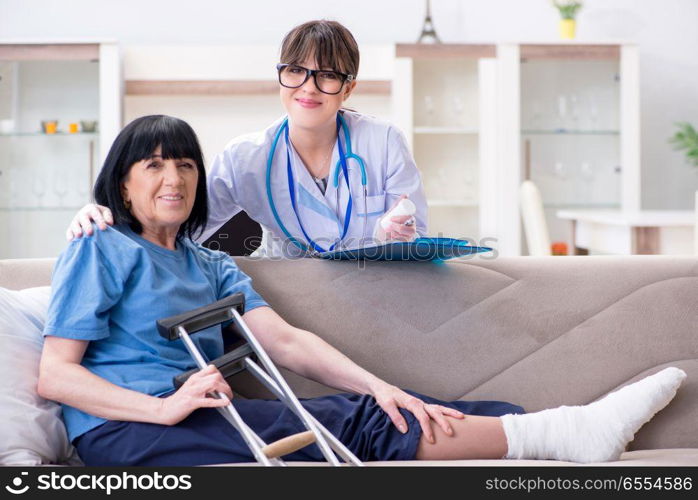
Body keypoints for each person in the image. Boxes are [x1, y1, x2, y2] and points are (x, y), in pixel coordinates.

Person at [39, 115, 686, 466]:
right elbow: (55, 377)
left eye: (184, 163)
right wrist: (165, 408)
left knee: (402, 405)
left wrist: (379, 383)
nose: (173, 177)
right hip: (126, 434)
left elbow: (286, 343)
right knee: (364, 427)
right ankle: (564, 436)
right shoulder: (102, 246)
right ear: (122, 185)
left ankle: (562, 432)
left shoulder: (208, 263)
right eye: (152, 164)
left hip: (200, 415)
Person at [66, 20, 426, 257]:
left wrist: (390, 234)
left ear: (348, 88)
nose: (308, 88)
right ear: (280, 76)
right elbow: (179, 221)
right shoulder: (247, 157)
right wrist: (104, 214)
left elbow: (417, 237)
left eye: (327, 75)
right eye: (296, 71)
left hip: (373, 287)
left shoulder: (383, 142)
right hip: (291, 296)